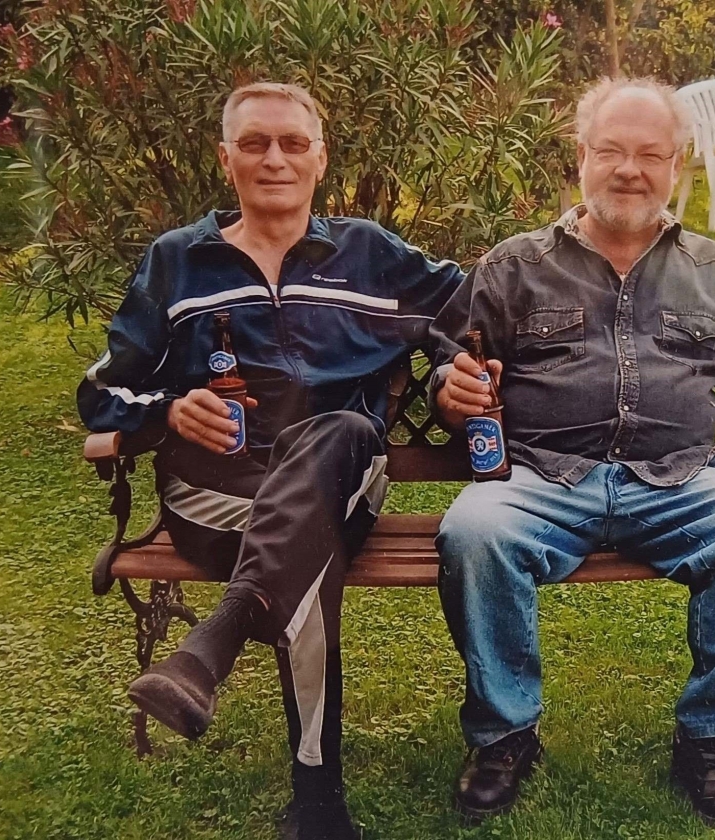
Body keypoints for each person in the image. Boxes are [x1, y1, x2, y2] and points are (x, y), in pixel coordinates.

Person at [429, 76, 715, 830]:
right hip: (540, 479)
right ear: (582, 158)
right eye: (612, 152)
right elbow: (451, 366)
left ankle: (708, 740)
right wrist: (452, 390)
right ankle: (505, 736)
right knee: (474, 531)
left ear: (676, 165)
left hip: (679, 482)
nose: (630, 170)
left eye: (649, 155)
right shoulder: (514, 265)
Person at [77, 82, 463, 839]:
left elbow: (475, 306)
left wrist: (454, 370)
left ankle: (215, 644)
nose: (275, 158)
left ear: (320, 158)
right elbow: (104, 389)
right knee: (304, 539)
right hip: (212, 500)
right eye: (254, 144)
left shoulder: (368, 255)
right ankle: (317, 807)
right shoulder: (178, 263)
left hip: (340, 478)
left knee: (340, 433)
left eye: (292, 143)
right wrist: (166, 410)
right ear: (227, 161)